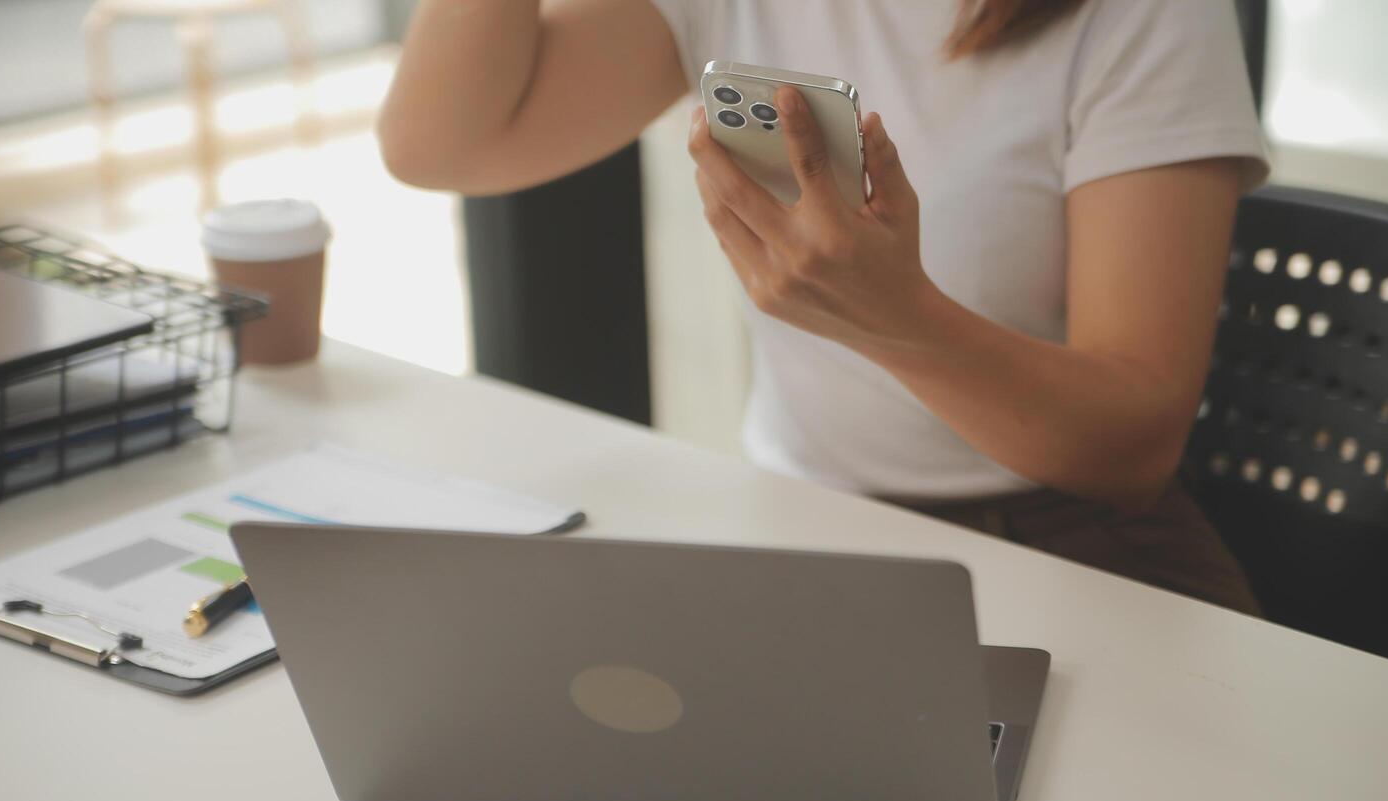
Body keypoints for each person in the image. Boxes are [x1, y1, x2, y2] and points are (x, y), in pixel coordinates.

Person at [378, 0, 1268, 614]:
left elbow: (1133, 445)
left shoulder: (1146, 16)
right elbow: (442, 145)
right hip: (807, 532)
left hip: (1072, 553)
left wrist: (896, 317)